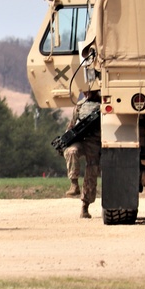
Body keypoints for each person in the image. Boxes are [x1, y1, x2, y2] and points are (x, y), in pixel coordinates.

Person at [63, 90, 101, 219]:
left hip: (95, 142)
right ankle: (74, 184)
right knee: (71, 151)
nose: (86, 94)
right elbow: (72, 124)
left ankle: (85, 206)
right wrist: (65, 140)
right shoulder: (80, 105)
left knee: (91, 172)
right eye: (84, 92)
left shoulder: (103, 103)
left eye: (89, 92)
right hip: (80, 140)